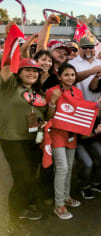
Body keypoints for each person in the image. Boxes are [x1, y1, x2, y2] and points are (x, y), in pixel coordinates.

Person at [0, 56, 46, 232]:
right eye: (27, 69)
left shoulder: (38, 94)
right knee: (20, 177)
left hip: (33, 139)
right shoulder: (9, 86)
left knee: (30, 175)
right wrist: (12, 40)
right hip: (11, 138)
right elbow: (5, 66)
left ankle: (25, 207)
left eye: (35, 71)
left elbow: (42, 114)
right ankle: (12, 217)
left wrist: (43, 121)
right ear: (18, 72)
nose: (32, 73)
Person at [46, 63, 83, 220]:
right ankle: (59, 204)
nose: (70, 78)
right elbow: (48, 116)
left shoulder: (78, 92)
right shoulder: (51, 91)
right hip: (56, 134)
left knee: (69, 167)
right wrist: (53, 101)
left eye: (72, 75)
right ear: (59, 76)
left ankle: (66, 196)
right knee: (62, 168)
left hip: (71, 134)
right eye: (66, 75)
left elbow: (80, 113)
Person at [68, 35, 101, 102]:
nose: (88, 49)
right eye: (84, 47)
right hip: (78, 104)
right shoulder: (71, 63)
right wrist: (91, 71)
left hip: (97, 105)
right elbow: (71, 79)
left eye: (90, 47)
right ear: (79, 48)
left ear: (94, 48)